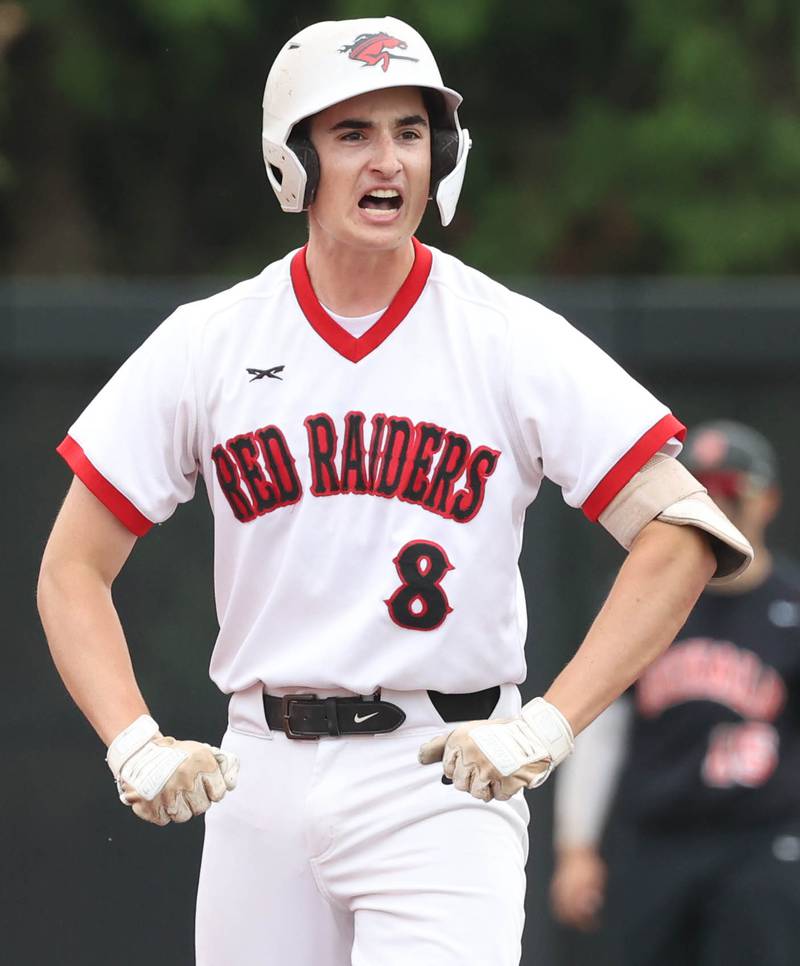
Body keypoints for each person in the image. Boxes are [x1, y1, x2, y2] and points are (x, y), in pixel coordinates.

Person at [37, 17, 751, 966]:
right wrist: (132, 740)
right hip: (261, 770)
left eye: (411, 133)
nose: (390, 161)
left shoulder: (503, 336)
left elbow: (683, 529)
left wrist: (548, 723)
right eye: (352, 133)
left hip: (443, 776)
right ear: (291, 161)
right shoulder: (212, 340)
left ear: (444, 154)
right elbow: (70, 568)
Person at [550, 420, 800, 966]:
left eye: (736, 489)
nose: (723, 503)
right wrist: (577, 849)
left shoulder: (792, 606)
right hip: (656, 841)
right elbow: (601, 730)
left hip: (761, 841)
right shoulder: (644, 598)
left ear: (770, 500)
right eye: (707, 489)